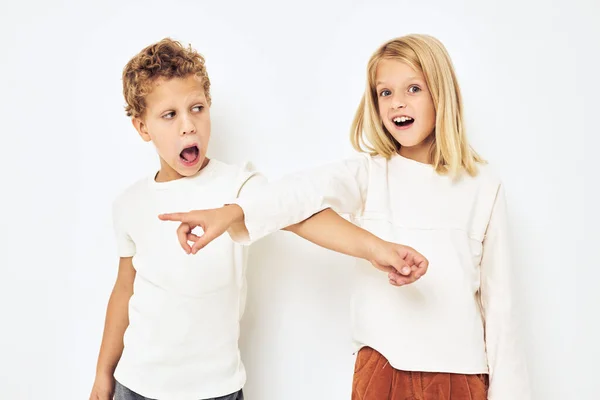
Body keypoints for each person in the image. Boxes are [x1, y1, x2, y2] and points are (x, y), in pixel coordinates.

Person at [159, 34, 530, 399]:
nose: (397, 103)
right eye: (385, 92)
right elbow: (298, 193)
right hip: (381, 369)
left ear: (441, 93)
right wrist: (232, 213)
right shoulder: (371, 174)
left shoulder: (483, 186)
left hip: (459, 377)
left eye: (413, 89)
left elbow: (501, 311)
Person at [89, 37, 428, 400]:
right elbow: (124, 291)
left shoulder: (238, 185)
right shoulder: (129, 204)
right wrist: (102, 375)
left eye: (197, 108)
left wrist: (376, 249)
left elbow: (302, 215)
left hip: (216, 389)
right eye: (169, 115)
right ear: (142, 128)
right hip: (137, 385)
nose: (188, 126)